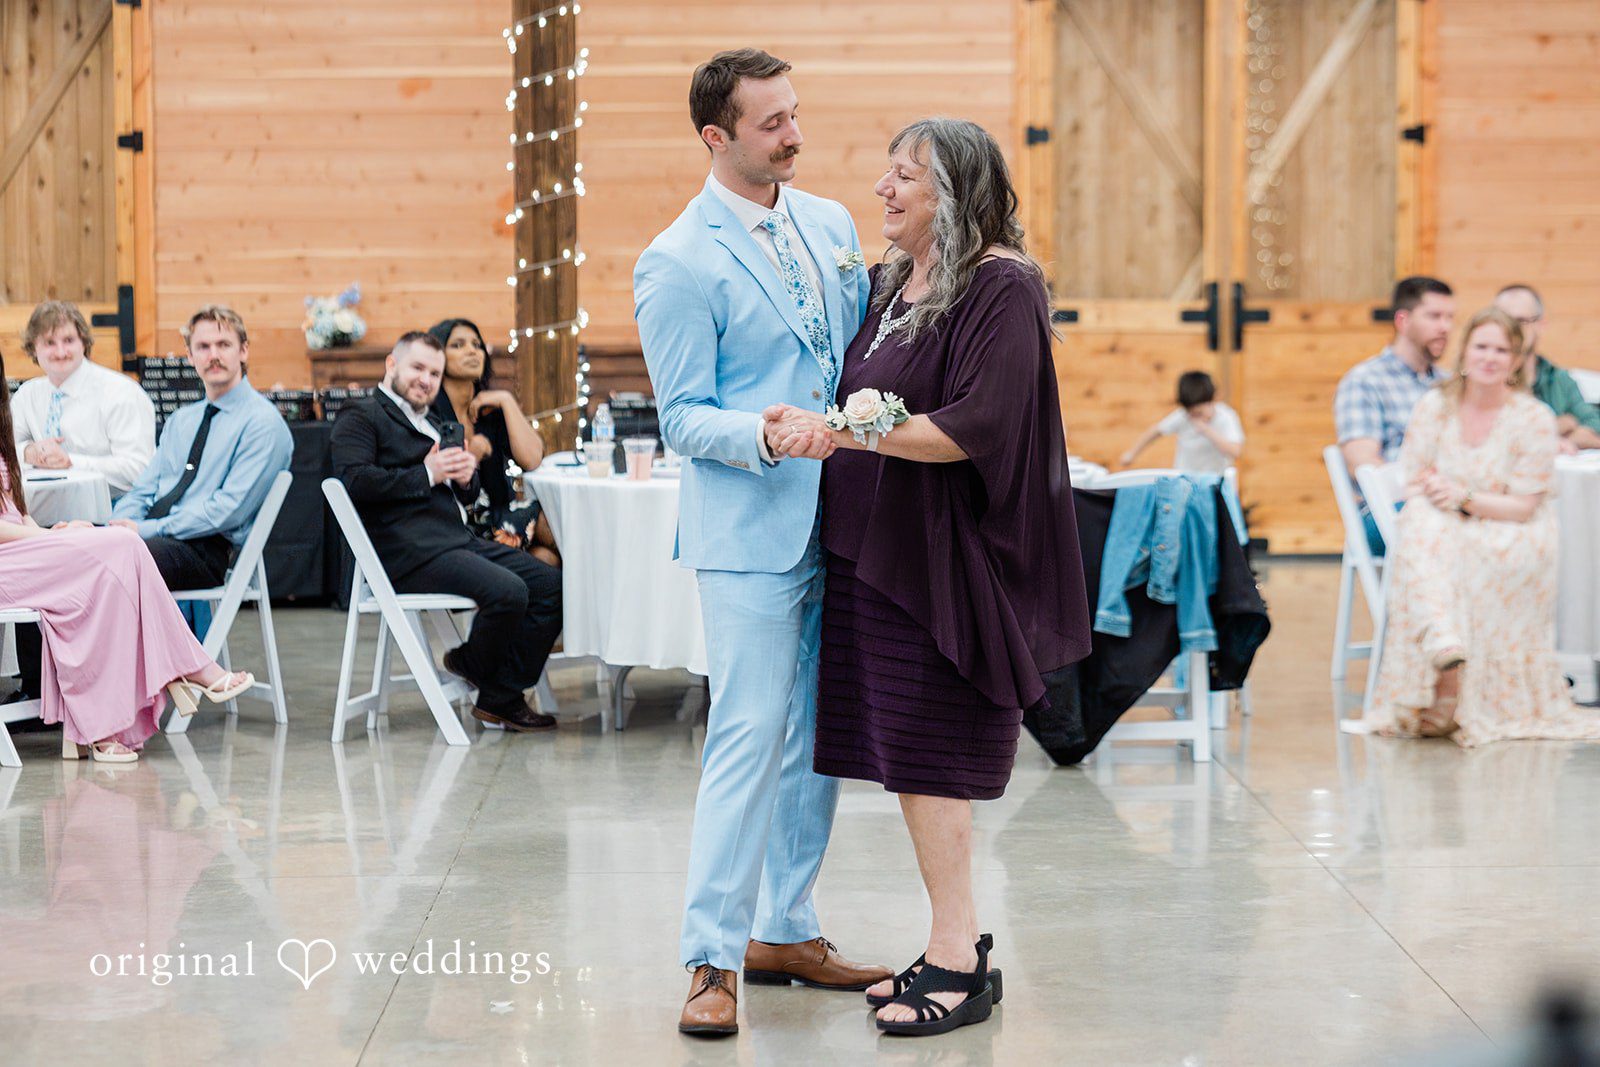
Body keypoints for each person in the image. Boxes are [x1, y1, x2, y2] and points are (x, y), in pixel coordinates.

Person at [765, 117, 1093, 1036]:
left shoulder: (1003, 285)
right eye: (887, 171)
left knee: (935, 753)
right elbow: (862, 395)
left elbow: (976, 426)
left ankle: (960, 954)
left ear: (957, 193)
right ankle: (949, 942)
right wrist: (824, 420)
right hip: (874, 549)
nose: (884, 189)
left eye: (907, 176)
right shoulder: (890, 281)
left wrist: (853, 429)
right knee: (906, 755)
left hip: (943, 559)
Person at [634, 48, 890, 1037]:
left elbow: (858, 349)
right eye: (771, 122)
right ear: (716, 136)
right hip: (748, 532)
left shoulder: (828, 223)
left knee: (820, 734)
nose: (793, 133)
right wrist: (766, 433)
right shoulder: (677, 259)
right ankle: (710, 954)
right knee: (746, 735)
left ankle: (785, 925)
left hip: (851, 519)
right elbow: (683, 417)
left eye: (794, 113)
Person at [1363, 307, 1600, 746]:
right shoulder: (1435, 405)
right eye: (1482, 346)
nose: (1490, 357)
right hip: (1444, 520)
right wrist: (1443, 495)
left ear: (1514, 360)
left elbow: (1526, 505)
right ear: (1465, 351)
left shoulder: (1533, 418)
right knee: (1421, 521)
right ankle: (1441, 645)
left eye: (1502, 349)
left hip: (1510, 525)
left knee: (1455, 546)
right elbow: (1414, 477)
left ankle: (1449, 695)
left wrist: (1464, 498)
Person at [0, 353, 252, 763]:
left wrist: (49, 534)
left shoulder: (3, 431)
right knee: (118, 546)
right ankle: (188, 666)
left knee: (121, 544)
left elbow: (15, 508)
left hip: (22, 549)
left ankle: (105, 725)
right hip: (8, 559)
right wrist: (42, 538)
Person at [331, 331, 563, 733]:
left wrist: (465, 476)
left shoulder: (435, 422)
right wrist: (427, 473)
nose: (426, 380)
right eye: (417, 368)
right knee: (510, 592)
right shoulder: (362, 415)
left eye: (434, 373)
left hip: (454, 541)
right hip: (404, 553)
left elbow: (464, 494)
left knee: (550, 584)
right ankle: (471, 664)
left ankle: (498, 696)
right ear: (392, 365)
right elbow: (356, 483)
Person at [110, 304, 294, 589]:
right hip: (155, 538)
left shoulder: (262, 424)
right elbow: (144, 489)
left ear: (243, 351)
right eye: (204, 347)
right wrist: (119, 525)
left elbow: (227, 510)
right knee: (75, 554)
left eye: (224, 345)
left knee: (117, 564)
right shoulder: (181, 421)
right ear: (190, 356)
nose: (214, 355)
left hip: (206, 550)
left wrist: (145, 530)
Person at [1334, 276, 1455, 553]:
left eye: (1450, 318)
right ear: (1403, 321)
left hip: (1447, 501)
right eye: (1434, 316)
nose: (1445, 327)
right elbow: (1362, 465)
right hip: (1386, 510)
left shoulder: (1450, 386)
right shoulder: (1365, 380)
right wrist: (1425, 489)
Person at [426, 318, 561, 567]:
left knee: (547, 559)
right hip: (459, 529)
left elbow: (532, 459)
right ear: (436, 356)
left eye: (477, 345)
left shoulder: (490, 413)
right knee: (553, 523)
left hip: (500, 521)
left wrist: (506, 400)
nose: (472, 351)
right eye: (457, 345)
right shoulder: (428, 413)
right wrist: (474, 452)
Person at [11, 299, 155, 496]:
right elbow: (5, 453)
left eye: (69, 341)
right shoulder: (26, 396)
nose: (61, 352)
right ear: (33, 347)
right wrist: (28, 453)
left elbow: (139, 470)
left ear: (84, 343)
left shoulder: (121, 393)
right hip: (41, 510)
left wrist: (71, 462)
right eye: (49, 343)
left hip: (112, 509)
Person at [1493, 284, 1600, 453]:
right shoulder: (1483, 378)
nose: (1511, 329)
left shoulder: (1559, 378)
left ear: (1541, 325)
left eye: (1521, 321)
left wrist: (1566, 438)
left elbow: (1595, 423)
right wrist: (1559, 425)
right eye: (1503, 321)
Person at [1118, 370, 1244, 473]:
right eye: (1191, 413)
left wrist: (1207, 431)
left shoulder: (1226, 417)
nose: (1195, 417)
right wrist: (1132, 453)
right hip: (1185, 479)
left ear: (1214, 399)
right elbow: (1156, 431)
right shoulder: (1183, 417)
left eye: (1199, 412)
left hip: (1215, 481)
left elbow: (1235, 451)